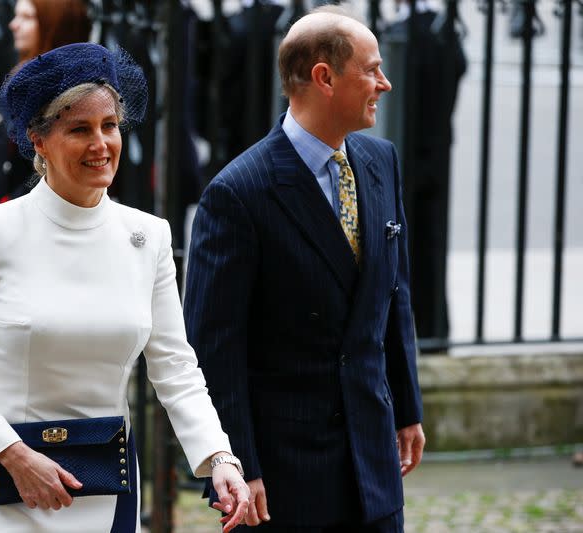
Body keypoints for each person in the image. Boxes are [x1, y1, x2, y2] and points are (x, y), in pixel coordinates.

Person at [0, 42, 250, 532]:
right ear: (39, 140)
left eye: (109, 126)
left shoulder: (148, 236)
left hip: (104, 486)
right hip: (7, 486)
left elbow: (175, 366)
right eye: (79, 129)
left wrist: (219, 457)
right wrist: (13, 455)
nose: (101, 144)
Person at [185, 6, 425, 531]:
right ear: (324, 77)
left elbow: (393, 294)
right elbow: (214, 347)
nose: (383, 83)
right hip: (287, 473)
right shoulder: (238, 192)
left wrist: (407, 407)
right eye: (371, 69)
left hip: (373, 457)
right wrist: (237, 463)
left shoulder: (381, 160)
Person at [0, 0, 91, 226]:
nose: (13, 25)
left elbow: (50, 170)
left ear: (53, 24)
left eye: (27, 17)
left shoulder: (68, 92)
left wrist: (4, 213)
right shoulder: (18, 79)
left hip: (33, 223)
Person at [383, 0, 466, 352]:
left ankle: (401, 342)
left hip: (400, 156)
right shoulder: (445, 31)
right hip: (435, 158)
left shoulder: (401, 34)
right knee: (429, 254)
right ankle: (434, 339)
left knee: (390, 257)